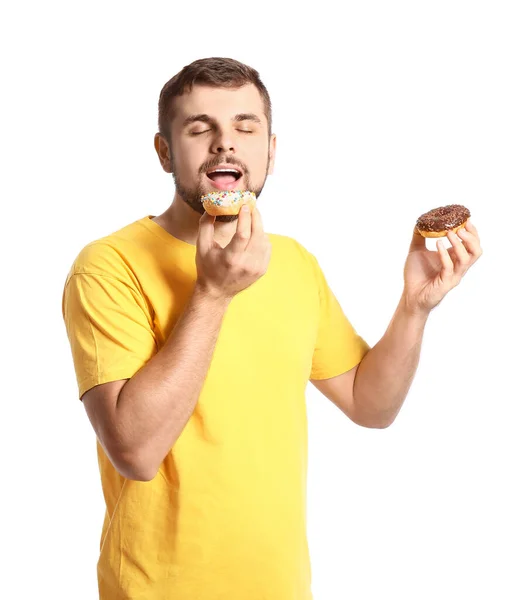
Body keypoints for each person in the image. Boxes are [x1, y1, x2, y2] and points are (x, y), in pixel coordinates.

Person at [61, 57, 482, 600]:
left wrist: (414, 306)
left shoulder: (292, 262)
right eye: (199, 128)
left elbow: (369, 405)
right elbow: (136, 452)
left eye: (245, 126)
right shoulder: (108, 265)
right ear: (165, 152)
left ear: (271, 151)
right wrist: (212, 292)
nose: (224, 144)